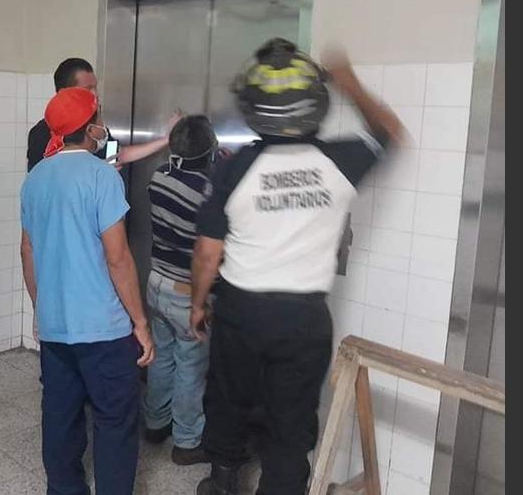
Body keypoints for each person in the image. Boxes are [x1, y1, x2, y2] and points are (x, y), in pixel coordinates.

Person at [191, 39, 406, 495]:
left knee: (228, 398)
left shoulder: (234, 168)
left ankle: (223, 481)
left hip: (240, 312)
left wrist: (197, 305)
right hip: (304, 319)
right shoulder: (341, 161)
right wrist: (348, 80)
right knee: (291, 421)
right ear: (315, 102)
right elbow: (389, 130)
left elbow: (207, 254)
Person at [20, 87, 155, 495]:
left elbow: (27, 250)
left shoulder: (35, 178)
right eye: (98, 119)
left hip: (56, 326)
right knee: (114, 420)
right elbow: (118, 257)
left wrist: (41, 308)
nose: (102, 126)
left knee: (60, 416)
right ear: (90, 128)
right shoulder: (102, 176)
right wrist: (140, 322)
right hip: (104, 328)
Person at [142, 115, 219, 466]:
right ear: (209, 151)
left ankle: (155, 423)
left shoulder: (159, 178)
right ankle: (187, 441)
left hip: (156, 283)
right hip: (186, 293)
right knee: (191, 365)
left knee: (162, 355)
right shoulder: (208, 193)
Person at [26, 57, 180, 172]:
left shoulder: (98, 129)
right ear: (64, 93)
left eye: (95, 87)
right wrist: (97, 174)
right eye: (88, 89)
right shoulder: (41, 134)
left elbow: (118, 154)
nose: (95, 94)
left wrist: (167, 139)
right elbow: (42, 182)